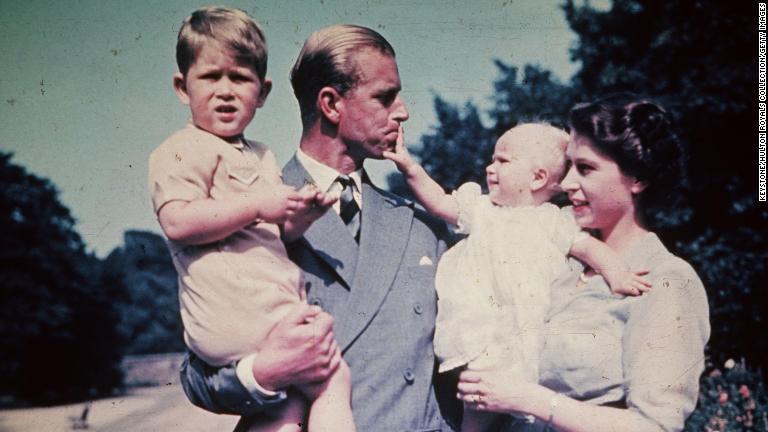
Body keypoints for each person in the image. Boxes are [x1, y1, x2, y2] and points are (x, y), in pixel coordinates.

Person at [179, 24, 458, 431]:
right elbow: (197, 376)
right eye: (385, 97)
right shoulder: (242, 215)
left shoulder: (422, 226)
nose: (403, 111)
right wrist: (266, 373)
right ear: (330, 103)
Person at [148, 7, 355, 431]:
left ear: (262, 92)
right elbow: (178, 223)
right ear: (182, 87)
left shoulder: (260, 154)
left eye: (240, 78)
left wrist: (302, 217)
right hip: (235, 314)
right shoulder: (181, 149)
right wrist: (259, 203)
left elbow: (272, 233)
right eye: (210, 77)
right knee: (333, 376)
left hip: (266, 310)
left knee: (285, 408)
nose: (225, 91)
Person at [456, 94, 711, 432]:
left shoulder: (667, 280)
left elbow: (655, 426)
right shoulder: (556, 257)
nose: (566, 183)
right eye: (569, 165)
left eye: (586, 168)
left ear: (637, 179)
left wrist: (528, 399)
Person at [385, 123, 651, 431]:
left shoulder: (553, 222)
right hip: (478, 332)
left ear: (537, 177)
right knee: (477, 402)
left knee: (511, 404)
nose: (489, 167)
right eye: (492, 159)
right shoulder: (482, 210)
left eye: (503, 161)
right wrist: (408, 166)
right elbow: (440, 201)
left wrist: (617, 275)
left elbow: (591, 249)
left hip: (523, 334)